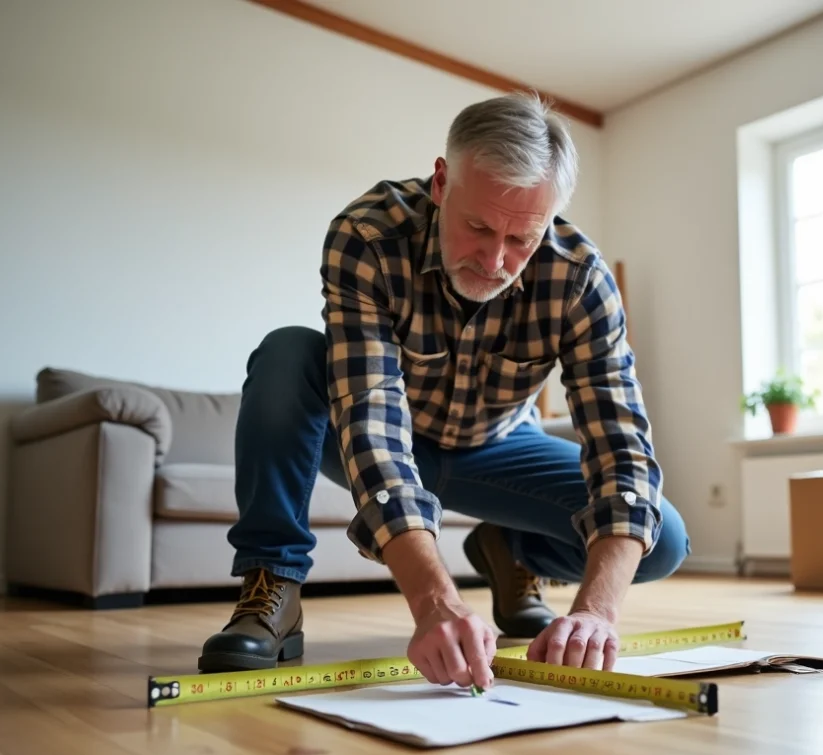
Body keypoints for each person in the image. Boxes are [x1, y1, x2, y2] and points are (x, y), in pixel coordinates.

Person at [197, 91, 690, 691]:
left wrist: (595, 611)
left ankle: (513, 552)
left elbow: (623, 454)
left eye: (522, 240)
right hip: (372, 434)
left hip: (496, 451)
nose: (495, 259)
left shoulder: (582, 279)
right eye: (478, 226)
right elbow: (371, 420)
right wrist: (433, 602)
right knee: (287, 353)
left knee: (662, 538)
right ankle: (270, 586)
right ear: (440, 183)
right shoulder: (368, 236)